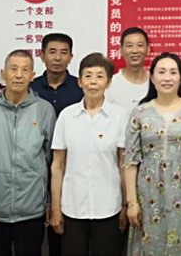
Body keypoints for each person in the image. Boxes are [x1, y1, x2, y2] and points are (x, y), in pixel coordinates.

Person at [0, 50, 56, 256]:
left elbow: (53, 163)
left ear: (32, 76)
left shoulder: (44, 110)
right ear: (3, 74)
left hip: (32, 209)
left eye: (25, 70)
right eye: (13, 69)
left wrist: (50, 202)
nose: (18, 75)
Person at [124, 52, 181, 256]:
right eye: (161, 72)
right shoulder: (140, 112)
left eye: (173, 72)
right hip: (147, 191)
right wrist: (132, 202)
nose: (167, 78)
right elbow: (130, 161)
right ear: (152, 77)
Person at [50, 52, 129, 256]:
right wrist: (56, 208)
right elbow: (57, 166)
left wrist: (125, 204)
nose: (93, 82)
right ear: (79, 81)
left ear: (108, 83)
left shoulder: (120, 116)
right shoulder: (67, 116)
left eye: (100, 76)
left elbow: (123, 164)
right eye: (88, 75)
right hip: (73, 207)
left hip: (109, 207)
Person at [31, 33, 83, 256]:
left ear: (71, 57)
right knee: (33, 236)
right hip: (36, 170)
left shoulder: (80, 88)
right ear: (42, 55)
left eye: (63, 53)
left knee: (65, 236)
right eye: (52, 52)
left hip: (72, 170)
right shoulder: (31, 89)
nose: (57, 58)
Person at [109, 27, 151, 112]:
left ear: (148, 49)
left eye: (140, 45)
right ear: (121, 50)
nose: (134, 51)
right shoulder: (111, 84)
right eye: (129, 46)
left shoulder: (156, 82)